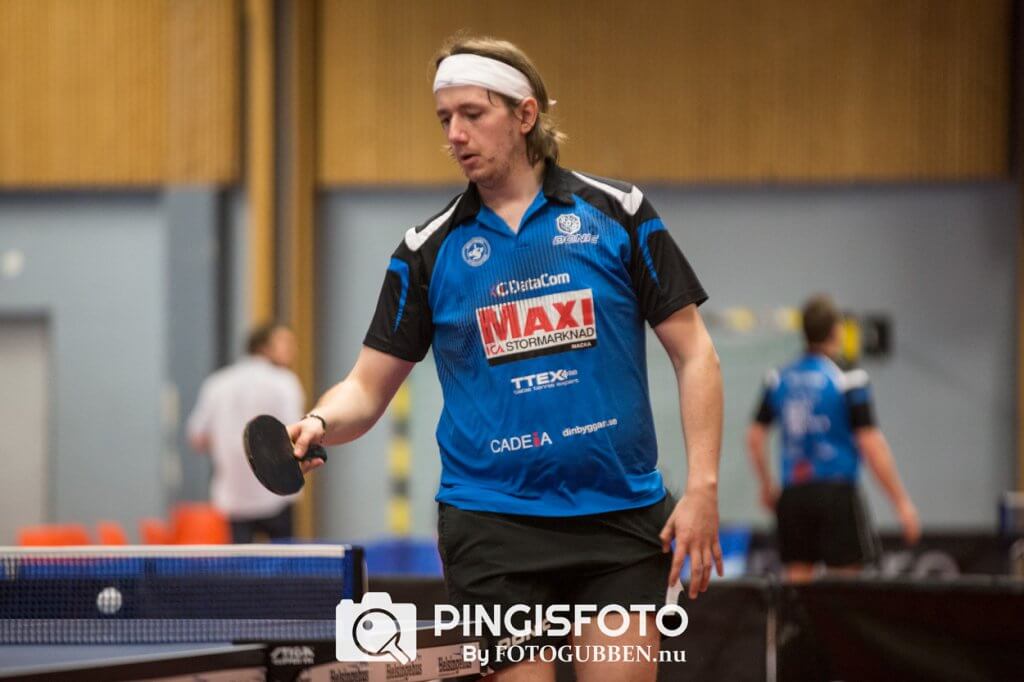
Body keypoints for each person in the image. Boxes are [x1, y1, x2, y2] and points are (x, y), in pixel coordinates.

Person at [290, 35, 723, 681]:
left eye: (473, 113)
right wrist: (320, 422)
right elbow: (366, 387)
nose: (455, 135)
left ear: (526, 114)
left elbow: (696, 354)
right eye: (445, 119)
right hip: (494, 528)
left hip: (621, 518)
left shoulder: (620, 214)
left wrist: (702, 488)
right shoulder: (427, 250)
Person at [746, 295, 921, 583]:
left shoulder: (778, 378)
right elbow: (871, 443)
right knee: (844, 587)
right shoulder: (848, 378)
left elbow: (754, 437)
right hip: (837, 493)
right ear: (836, 331)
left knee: (797, 584)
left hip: (793, 494)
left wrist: (766, 485)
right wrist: (901, 502)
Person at [187, 323, 305, 543]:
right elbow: (296, 434)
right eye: (286, 343)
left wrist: (228, 446)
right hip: (277, 496)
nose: (293, 349)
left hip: (232, 498)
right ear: (264, 347)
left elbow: (197, 437)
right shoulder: (285, 383)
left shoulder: (217, 383)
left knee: (239, 563)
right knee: (284, 563)